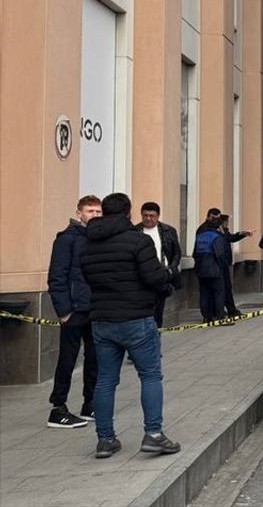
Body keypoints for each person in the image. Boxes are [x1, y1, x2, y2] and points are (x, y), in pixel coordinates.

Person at [78, 192, 180, 458]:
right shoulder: (139, 241)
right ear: (128, 213)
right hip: (136, 319)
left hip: (102, 320)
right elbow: (154, 276)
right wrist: (167, 282)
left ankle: (105, 439)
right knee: (150, 375)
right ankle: (154, 435)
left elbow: (88, 278)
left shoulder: (88, 244)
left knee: (105, 381)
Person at [46, 195, 102, 428]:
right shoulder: (66, 239)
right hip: (73, 310)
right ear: (79, 213)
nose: (95, 216)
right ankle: (58, 408)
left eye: (99, 212)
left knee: (95, 359)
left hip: (94, 308)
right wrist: (64, 311)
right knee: (68, 359)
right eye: (90, 211)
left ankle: (90, 404)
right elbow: (56, 277)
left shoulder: (97, 239)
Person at [136, 202, 182, 327]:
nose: (148, 219)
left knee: (158, 310)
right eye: (145, 215)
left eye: (152, 216)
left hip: (163, 275)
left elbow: (176, 253)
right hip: (142, 276)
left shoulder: (168, 231)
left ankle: (157, 333)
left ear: (158, 216)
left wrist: (172, 269)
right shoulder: (135, 231)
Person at [192, 209, 234, 322]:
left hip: (201, 269)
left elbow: (195, 252)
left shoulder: (200, 232)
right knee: (219, 292)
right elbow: (220, 253)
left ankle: (207, 317)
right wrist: (222, 266)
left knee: (204, 293)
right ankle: (220, 316)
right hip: (215, 268)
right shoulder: (216, 235)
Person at [216, 214, 252, 317]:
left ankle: (231, 310)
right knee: (222, 289)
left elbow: (231, 238)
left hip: (225, 263)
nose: (228, 223)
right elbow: (227, 240)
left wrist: (243, 233)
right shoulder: (218, 232)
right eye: (226, 221)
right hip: (219, 264)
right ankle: (221, 311)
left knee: (227, 288)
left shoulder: (224, 231)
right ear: (222, 222)